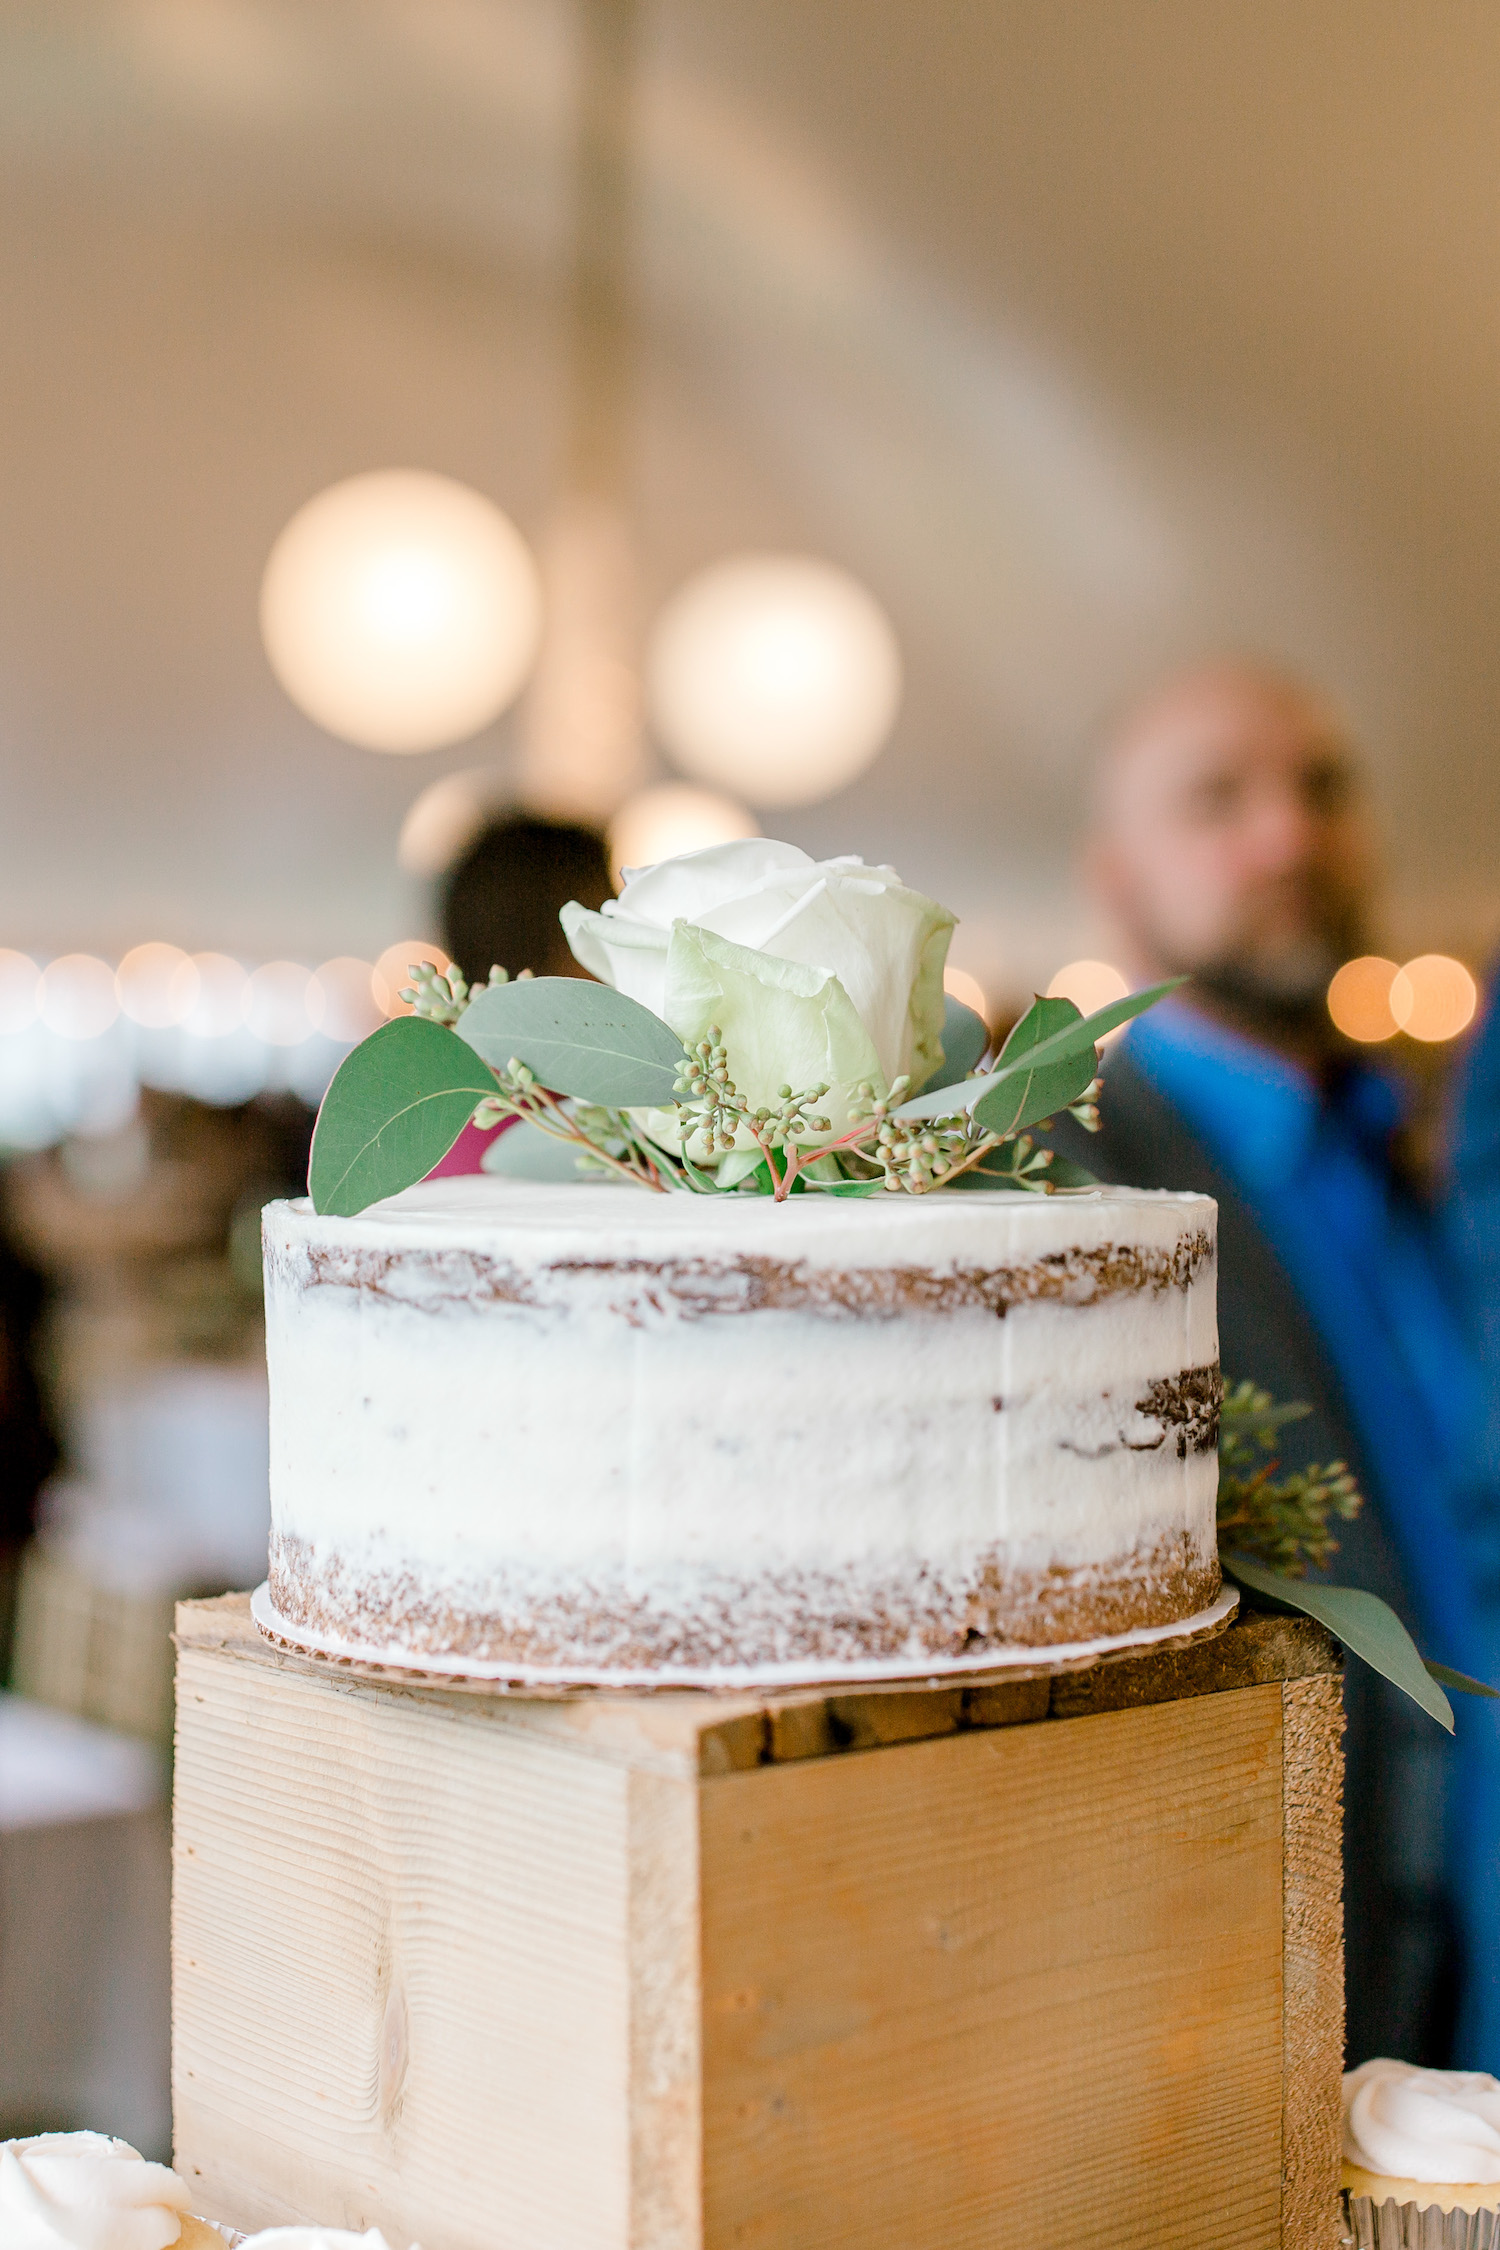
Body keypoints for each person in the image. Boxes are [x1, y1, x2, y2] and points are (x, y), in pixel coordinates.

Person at [1048, 661, 1491, 2067]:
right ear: (1119, 881)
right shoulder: (1081, 1194)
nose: (1289, 835)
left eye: (1322, 788)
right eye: (1217, 798)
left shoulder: (1420, 1151)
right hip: (1362, 1992)